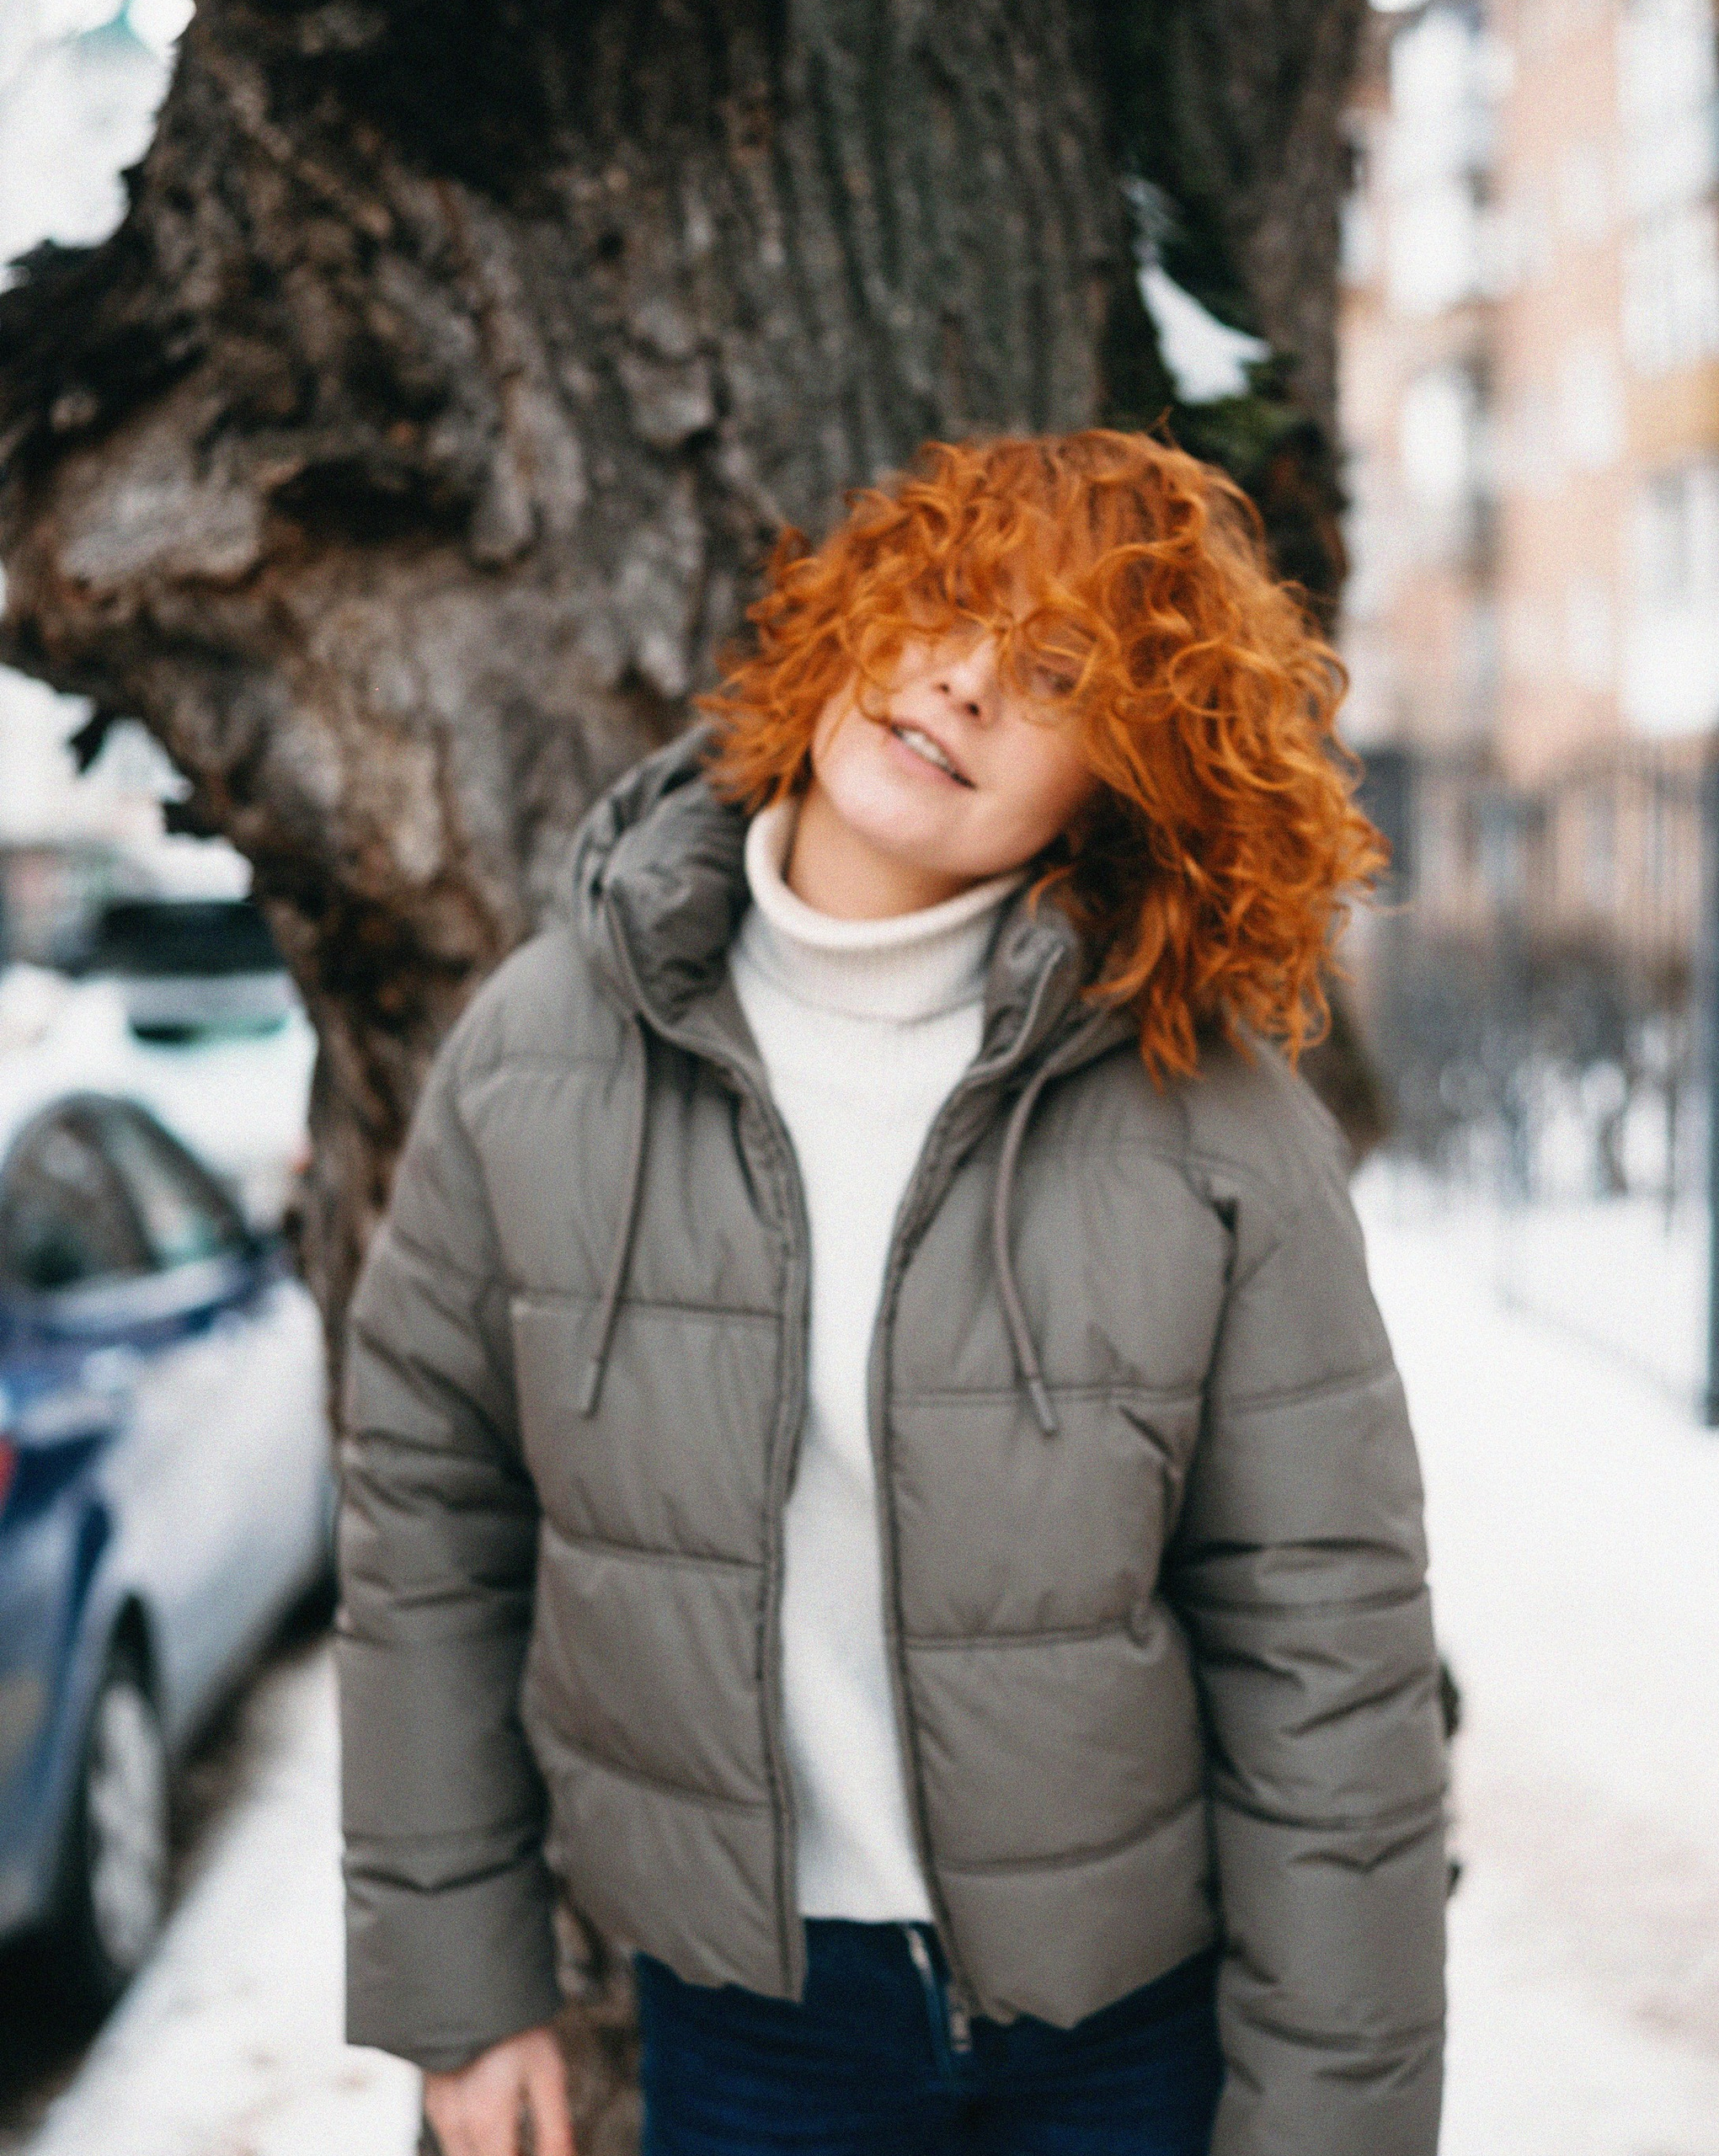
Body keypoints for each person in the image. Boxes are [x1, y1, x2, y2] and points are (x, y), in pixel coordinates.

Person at [337, 429, 1449, 2156]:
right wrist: (463, 1982)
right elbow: (428, 1523)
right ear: (856, 613)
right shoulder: (543, 1049)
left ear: (1125, 773)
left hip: (1132, 2033)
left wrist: (1327, 2121)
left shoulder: (1214, 1122)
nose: (961, 681)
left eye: (1057, 672)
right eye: (943, 601)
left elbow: (1327, 1644)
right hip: (756, 2027)